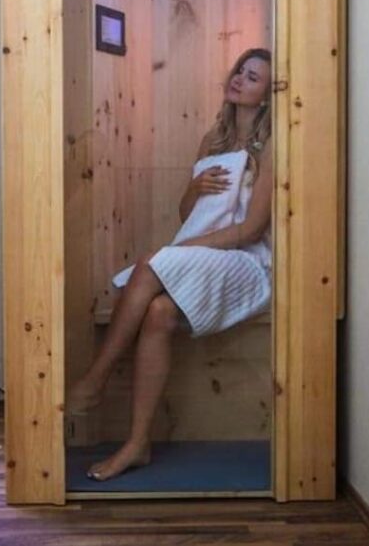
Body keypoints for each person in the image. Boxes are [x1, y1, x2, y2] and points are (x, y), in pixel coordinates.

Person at [67, 47, 274, 481]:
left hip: (248, 262)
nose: (240, 78)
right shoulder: (213, 140)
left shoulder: (272, 148)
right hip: (206, 252)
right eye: (240, 70)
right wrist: (195, 188)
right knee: (159, 311)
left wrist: (188, 248)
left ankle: (97, 377)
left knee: (150, 261)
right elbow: (187, 214)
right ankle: (137, 444)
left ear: (268, 95)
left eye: (253, 77)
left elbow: (253, 229)